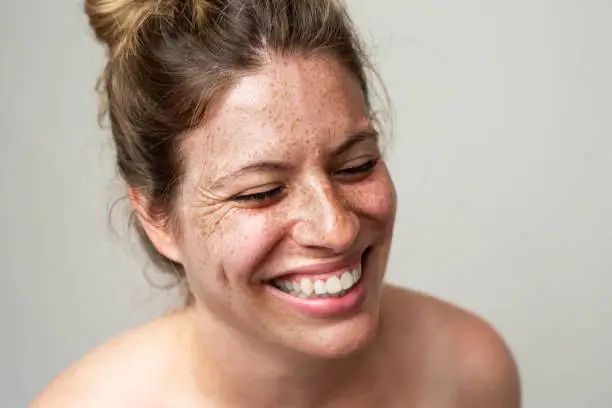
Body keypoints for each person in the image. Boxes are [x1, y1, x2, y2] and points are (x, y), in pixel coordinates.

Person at [32, 0, 521, 407]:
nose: (336, 229)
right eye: (261, 192)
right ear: (158, 219)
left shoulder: (469, 374)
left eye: (356, 165)